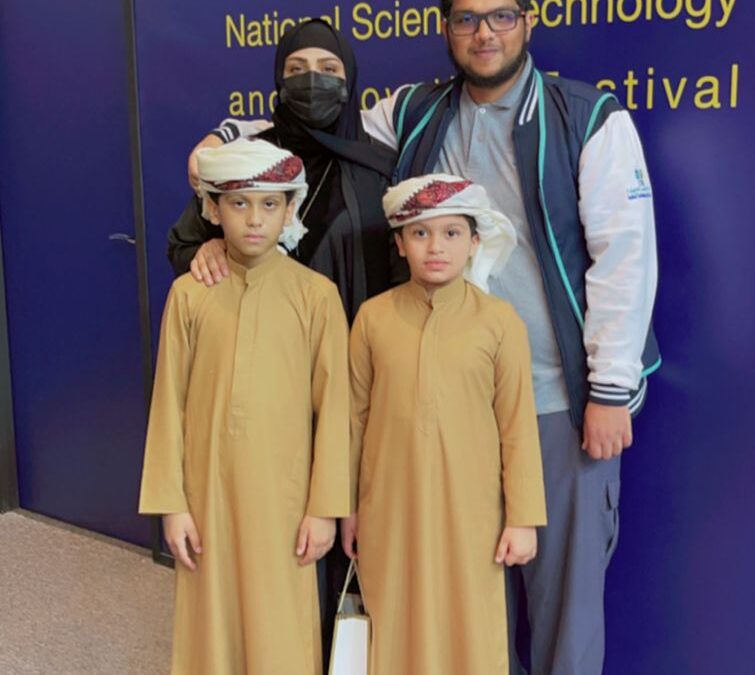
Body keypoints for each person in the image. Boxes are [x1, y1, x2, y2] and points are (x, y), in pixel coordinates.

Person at [198, 3, 661, 672]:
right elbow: (312, 125)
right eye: (467, 19)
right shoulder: (418, 112)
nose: (484, 33)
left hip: (553, 402)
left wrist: (611, 388)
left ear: (527, 22)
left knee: (565, 604)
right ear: (446, 29)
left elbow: (626, 254)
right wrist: (223, 141)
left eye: (501, 16)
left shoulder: (587, 117)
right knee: (462, 602)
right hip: (444, 414)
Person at [139, 138, 350, 675]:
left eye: (269, 204)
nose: (255, 219)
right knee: (210, 627)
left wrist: (325, 507)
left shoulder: (317, 295)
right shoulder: (190, 295)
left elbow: (336, 412)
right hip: (205, 493)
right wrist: (171, 504)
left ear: (290, 210)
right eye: (239, 203)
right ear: (213, 210)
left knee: (281, 628)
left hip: (286, 500)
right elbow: (168, 403)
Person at [343, 173, 547, 675]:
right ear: (400, 243)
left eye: (452, 233)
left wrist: (522, 518)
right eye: (420, 233)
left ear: (475, 242)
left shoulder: (499, 322)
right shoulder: (372, 318)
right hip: (388, 507)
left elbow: (517, 426)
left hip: (471, 512)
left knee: (468, 625)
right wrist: (346, 508)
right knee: (394, 618)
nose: (436, 247)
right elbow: (352, 419)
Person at [170, 19, 399, 322]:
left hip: (350, 340)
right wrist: (209, 251)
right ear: (281, 81)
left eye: (329, 69)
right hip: (260, 337)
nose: (313, 80)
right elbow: (183, 244)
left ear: (349, 81)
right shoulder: (250, 157)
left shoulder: (378, 166)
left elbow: (403, 271)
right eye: (297, 69)